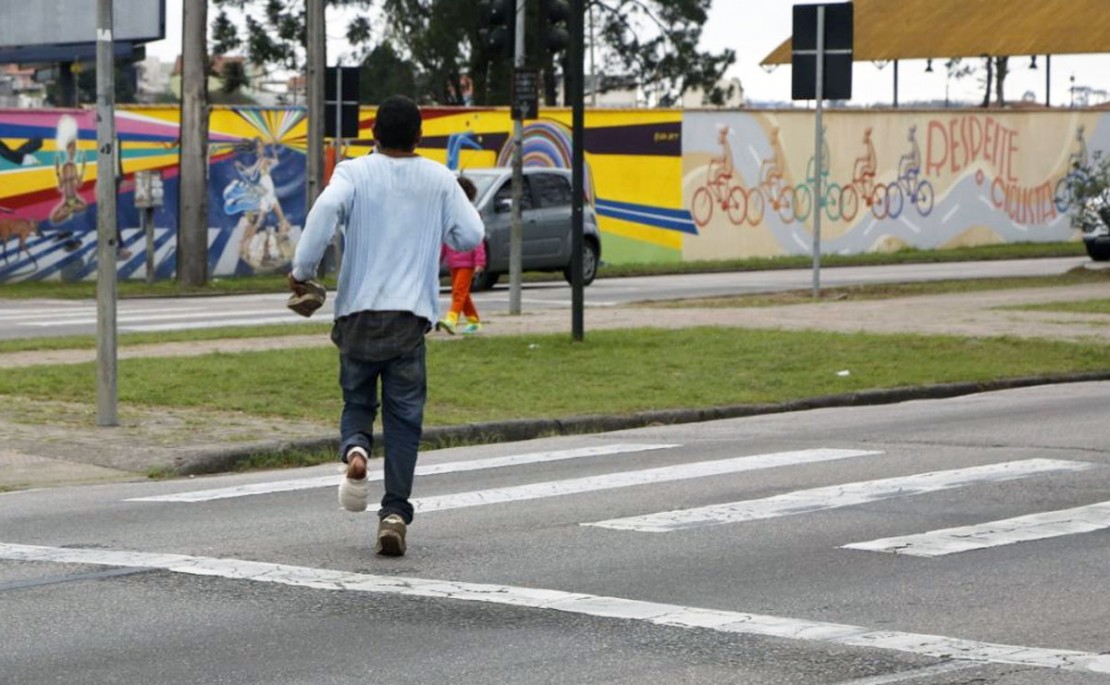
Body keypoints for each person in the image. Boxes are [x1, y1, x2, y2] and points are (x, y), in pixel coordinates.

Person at [288, 95, 484, 556]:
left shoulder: (354, 173)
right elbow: (471, 235)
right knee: (403, 421)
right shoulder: (438, 179)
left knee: (357, 401)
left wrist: (302, 271)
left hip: (357, 314)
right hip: (409, 320)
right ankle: (394, 512)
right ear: (418, 137)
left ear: (373, 135)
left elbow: (323, 214)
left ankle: (356, 452)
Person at [437, 176, 486, 335]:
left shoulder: (472, 214)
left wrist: (479, 261)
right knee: (462, 292)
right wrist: (438, 259)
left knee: (458, 291)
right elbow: (446, 239)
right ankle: (474, 320)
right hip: (454, 261)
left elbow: (478, 240)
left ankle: (452, 320)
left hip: (467, 262)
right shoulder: (450, 213)